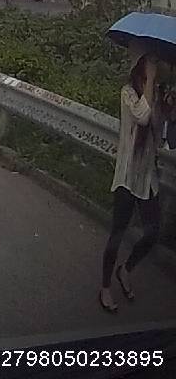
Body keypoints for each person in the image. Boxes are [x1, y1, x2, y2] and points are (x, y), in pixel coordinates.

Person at [99, 50, 165, 313]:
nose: (154, 67)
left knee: (153, 232)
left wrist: (167, 107)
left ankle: (125, 270)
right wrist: (150, 83)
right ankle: (105, 286)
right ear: (140, 66)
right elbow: (142, 116)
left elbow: (158, 133)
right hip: (127, 176)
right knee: (118, 233)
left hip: (148, 177)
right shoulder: (127, 92)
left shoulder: (155, 94)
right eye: (150, 63)